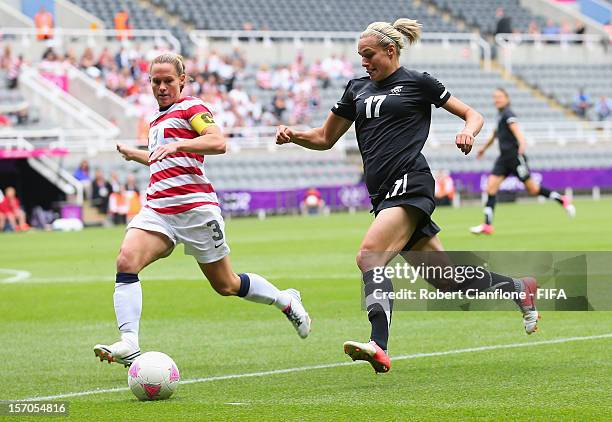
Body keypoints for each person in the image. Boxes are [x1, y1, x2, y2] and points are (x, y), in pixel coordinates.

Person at [276, 19, 540, 374]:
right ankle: (518, 288)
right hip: (383, 193)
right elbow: (325, 138)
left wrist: (468, 131)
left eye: (369, 55)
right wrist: (293, 135)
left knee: (369, 256)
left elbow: (472, 114)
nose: (364, 62)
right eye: (360, 56)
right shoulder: (356, 89)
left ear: (391, 50)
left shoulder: (418, 82)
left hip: (411, 182)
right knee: (447, 280)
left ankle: (378, 344)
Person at [94, 53, 311, 367]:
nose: (162, 87)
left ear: (182, 80)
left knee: (227, 285)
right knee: (126, 260)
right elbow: (164, 159)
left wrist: (180, 145)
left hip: (196, 210)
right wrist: (137, 155)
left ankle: (286, 300)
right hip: (159, 211)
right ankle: (129, 343)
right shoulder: (156, 119)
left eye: (168, 80)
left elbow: (218, 141)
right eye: (156, 81)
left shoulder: (191, 108)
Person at [470, 88, 575, 235]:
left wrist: (522, 143)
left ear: (507, 98)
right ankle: (487, 225)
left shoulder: (508, 114)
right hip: (504, 159)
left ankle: (562, 199)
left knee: (533, 189)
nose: (497, 100)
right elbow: (495, 134)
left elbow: (517, 130)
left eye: (500, 97)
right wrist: (483, 149)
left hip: (514, 157)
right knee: (490, 188)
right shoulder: (500, 115)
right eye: (495, 97)